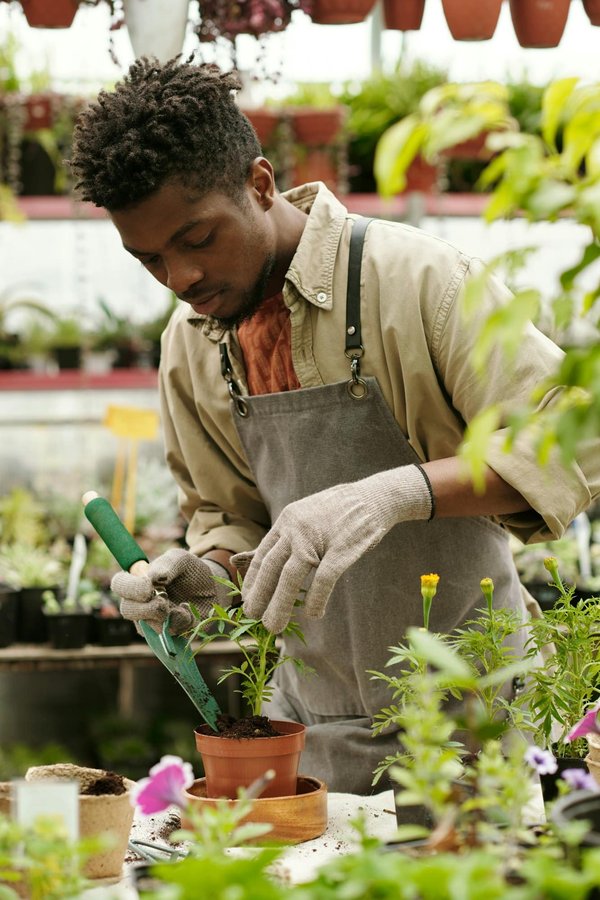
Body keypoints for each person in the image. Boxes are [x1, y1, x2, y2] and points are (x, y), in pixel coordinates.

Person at [70, 57, 599, 794]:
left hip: (474, 721)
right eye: (150, 259)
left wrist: (395, 493)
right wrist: (204, 576)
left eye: (197, 239)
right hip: (307, 731)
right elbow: (230, 519)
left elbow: (564, 443)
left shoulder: (416, 280)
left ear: (259, 185)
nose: (181, 278)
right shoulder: (191, 343)